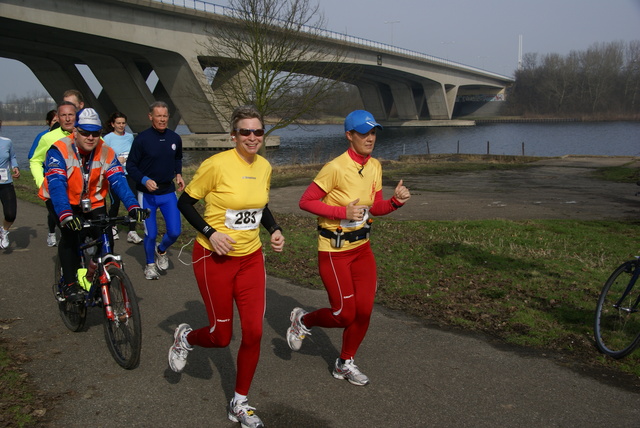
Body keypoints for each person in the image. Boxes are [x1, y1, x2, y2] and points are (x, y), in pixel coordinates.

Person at [173, 105, 284, 428]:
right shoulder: (216, 165)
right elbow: (185, 203)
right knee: (222, 336)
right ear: (233, 135)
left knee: (254, 332)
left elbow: (260, 206)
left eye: (258, 132)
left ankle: (240, 401)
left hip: (251, 259)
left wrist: (274, 229)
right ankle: (186, 339)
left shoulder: (264, 166)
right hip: (214, 259)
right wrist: (211, 232)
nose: (252, 137)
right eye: (245, 132)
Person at [286, 110, 411, 386]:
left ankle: (344, 363)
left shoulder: (375, 166)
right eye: (364, 133)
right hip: (334, 251)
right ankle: (303, 321)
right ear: (349, 136)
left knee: (364, 311)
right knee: (344, 314)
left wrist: (395, 202)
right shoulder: (335, 167)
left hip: (362, 249)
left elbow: (374, 207)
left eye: (373, 132)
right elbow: (306, 201)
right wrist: (342, 211)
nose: (370, 138)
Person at [39, 108, 148, 302]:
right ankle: (70, 285)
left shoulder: (106, 151)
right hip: (62, 201)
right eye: (85, 132)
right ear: (75, 132)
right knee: (70, 236)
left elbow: (118, 181)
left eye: (95, 133)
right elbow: (56, 185)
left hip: (93, 201)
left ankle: (94, 277)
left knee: (105, 238)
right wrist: (65, 214)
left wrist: (133, 206)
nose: (90, 137)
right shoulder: (58, 150)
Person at [127, 101, 184, 280]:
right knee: (150, 233)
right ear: (150, 116)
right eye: (158, 116)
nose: (162, 119)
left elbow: (177, 158)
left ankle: (161, 250)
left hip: (168, 192)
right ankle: (150, 265)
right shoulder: (142, 139)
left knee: (175, 231)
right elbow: (131, 165)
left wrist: (179, 174)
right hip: (147, 194)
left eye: (165, 116)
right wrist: (145, 180)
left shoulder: (175, 138)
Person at [103, 111, 143, 244]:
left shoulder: (130, 137)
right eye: (118, 123)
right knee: (115, 203)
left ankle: (132, 231)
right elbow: (102, 157)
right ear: (112, 124)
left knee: (133, 202)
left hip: (129, 174)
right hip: (114, 175)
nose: (121, 126)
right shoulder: (107, 138)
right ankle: (112, 227)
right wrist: (116, 160)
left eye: (123, 123)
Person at [28, 109, 59, 246]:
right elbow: (32, 156)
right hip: (49, 177)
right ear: (49, 122)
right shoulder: (44, 136)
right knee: (53, 210)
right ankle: (51, 233)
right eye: (54, 121)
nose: (58, 123)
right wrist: (40, 180)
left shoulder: (71, 135)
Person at [0, 120, 20, 249]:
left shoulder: (7, 142)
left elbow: (12, 156)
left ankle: (4, 231)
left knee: (11, 213)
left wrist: (15, 167)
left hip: (5, 182)